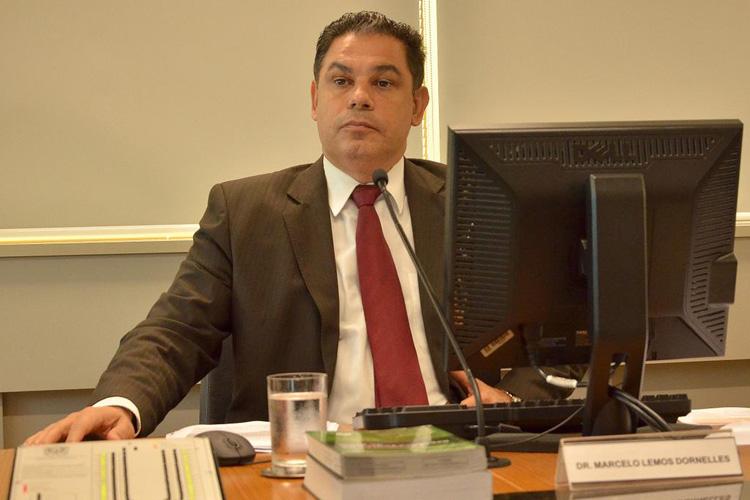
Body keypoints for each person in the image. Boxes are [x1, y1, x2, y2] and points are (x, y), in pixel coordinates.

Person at [26, 11, 581, 445]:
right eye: (341, 80)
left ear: (418, 105)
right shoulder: (245, 213)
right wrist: (119, 405)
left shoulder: (476, 206)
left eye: (383, 82)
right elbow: (176, 331)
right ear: (316, 100)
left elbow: (559, 337)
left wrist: (513, 400)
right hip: (300, 463)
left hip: (462, 451)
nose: (359, 96)